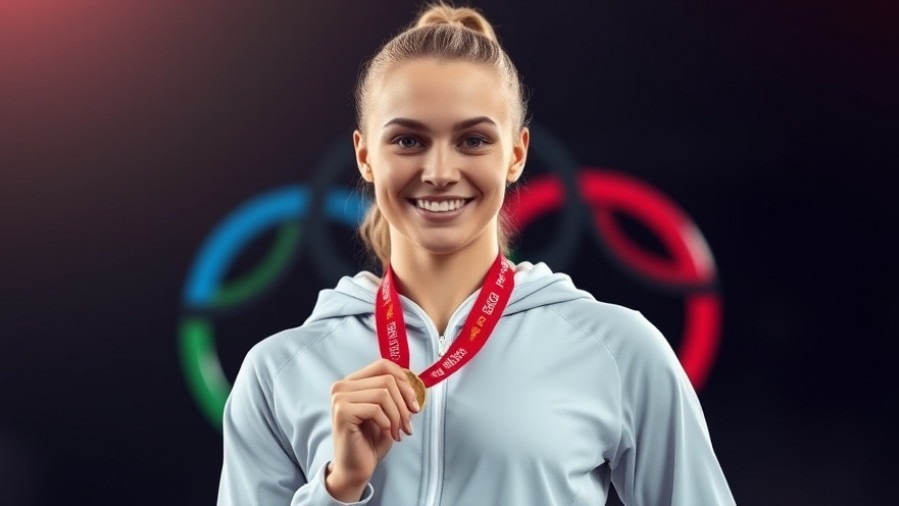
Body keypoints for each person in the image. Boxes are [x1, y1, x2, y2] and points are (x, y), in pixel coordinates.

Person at [217, 3, 735, 505]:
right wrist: (339, 486)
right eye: (407, 141)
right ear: (365, 155)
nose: (440, 170)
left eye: (472, 140)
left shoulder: (619, 351)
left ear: (515, 154)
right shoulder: (277, 372)